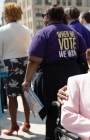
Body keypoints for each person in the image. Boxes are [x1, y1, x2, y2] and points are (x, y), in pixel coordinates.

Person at [21, 5, 87, 140]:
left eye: (44, 16)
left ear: (48, 17)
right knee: (72, 108)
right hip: (73, 74)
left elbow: (34, 60)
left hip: (51, 76)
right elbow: (84, 55)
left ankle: (51, 137)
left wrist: (27, 80)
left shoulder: (44, 33)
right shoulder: (75, 33)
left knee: (52, 111)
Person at [0, 2, 31, 135]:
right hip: (25, 62)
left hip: (9, 63)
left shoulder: (2, 30)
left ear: (6, 14)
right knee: (25, 94)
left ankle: (13, 126)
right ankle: (27, 123)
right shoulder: (26, 29)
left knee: (11, 96)